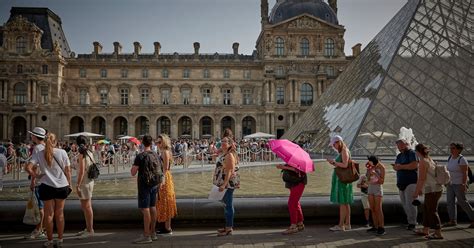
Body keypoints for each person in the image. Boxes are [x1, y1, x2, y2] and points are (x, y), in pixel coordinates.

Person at [25, 132, 72, 248]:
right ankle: (60, 240)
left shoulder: (40, 153)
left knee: (49, 215)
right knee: (60, 214)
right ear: (55, 141)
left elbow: (28, 167)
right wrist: (70, 184)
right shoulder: (62, 152)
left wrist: (36, 176)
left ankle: (50, 240)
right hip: (62, 186)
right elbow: (68, 171)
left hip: (46, 186)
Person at [131, 135, 160, 244]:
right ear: (151, 143)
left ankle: (146, 235)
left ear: (142, 143)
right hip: (154, 184)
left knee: (145, 209)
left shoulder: (140, 156)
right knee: (153, 207)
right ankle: (153, 233)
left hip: (144, 185)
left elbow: (133, 172)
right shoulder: (156, 155)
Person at [412, 144, 444, 239]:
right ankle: (425, 230)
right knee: (427, 209)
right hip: (434, 189)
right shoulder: (429, 159)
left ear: (418, 152)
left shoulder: (422, 162)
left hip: (432, 190)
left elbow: (421, 179)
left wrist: (416, 192)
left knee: (432, 211)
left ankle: (438, 233)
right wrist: (422, 189)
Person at [444, 142, 474, 228]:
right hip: (451, 183)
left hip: (459, 183)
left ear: (459, 149)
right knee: (450, 202)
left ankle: (473, 218)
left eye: (453, 148)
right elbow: (448, 170)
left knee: (462, 202)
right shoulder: (450, 157)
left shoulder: (462, 159)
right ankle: (452, 220)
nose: (451, 150)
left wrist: (464, 184)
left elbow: (465, 173)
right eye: (450, 148)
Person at [25, 127, 47, 240]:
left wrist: (34, 180)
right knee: (44, 206)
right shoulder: (46, 147)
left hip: (39, 181)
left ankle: (39, 229)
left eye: (32, 135)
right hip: (47, 181)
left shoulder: (37, 148)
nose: (31, 137)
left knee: (40, 207)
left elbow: (33, 166)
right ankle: (42, 228)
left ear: (34, 136)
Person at [326, 135, 353, 231]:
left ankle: (341, 225)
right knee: (346, 203)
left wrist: (334, 162)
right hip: (344, 179)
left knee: (342, 203)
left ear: (338, 142)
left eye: (334, 144)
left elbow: (345, 165)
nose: (333, 146)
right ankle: (348, 224)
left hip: (342, 180)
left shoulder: (344, 151)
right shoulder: (344, 150)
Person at [213, 135, 238, 236]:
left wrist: (224, 184)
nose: (222, 142)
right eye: (222, 141)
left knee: (228, 205)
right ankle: (227, 226)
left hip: (227, 183)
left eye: (225, 141)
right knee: (226, 205)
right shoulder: (225, 154)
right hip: (223, 182)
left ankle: (229, 228)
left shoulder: (229, 155)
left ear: (229, 144)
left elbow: (229, 171)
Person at [393, 138, 418, 230]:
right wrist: (396, 167)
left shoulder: (412, 153)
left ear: (406, 144)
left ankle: (413, 223)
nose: (399, 148)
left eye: (401, 145)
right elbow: (396, 167)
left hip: (411, 182)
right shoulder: (399, 156)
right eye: (398, 146)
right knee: (405, 203)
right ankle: (410, 220)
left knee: (410, 203)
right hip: (401, 183)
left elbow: (415, 165)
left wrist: (401, 167)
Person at [74, 135, 95, 239]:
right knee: (86, 206)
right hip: (90, 181)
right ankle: (88, 228)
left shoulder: (82, 154)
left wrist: (77, 185)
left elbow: (81, 171)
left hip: (84, 182)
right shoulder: (90, 152)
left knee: (86, 207)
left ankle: (90, 230)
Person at [276, 163, 307, 234]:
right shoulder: (293, 159)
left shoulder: (299, 159)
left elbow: (297, 170)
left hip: (298, 183)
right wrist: (283, 166)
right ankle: (300, 224)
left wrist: (284, 167)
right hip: (293, 182)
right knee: (295, 203)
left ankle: (293, 226)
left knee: (291, 203)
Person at [156, 134, 177, 235]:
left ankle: (167, 227)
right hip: (167, 177)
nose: (158, 144)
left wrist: (161, 181)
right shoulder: (166, 151)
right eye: (157, 142)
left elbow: (165, 168)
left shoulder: (164, 152)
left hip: (165, 177)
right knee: (166, 201)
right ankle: (166, 227)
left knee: (165, 201)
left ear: (164, 142)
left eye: (159, 142)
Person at [365, 155, 386, 236]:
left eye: (371, 163)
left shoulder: (382, 168)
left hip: (377, 189)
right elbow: (367, 179)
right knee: (372, 208)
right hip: (370, 188)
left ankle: (382, 227)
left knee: (378, 209)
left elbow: (382, 181)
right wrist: (369, 172)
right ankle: (375, 226)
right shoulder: (370, 167)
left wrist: (375, 173)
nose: (370, 164)